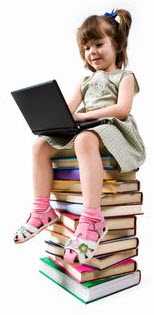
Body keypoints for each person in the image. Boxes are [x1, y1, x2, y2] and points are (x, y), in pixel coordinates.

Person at [14, 8, 146, 264]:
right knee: (40, 145)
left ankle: (93, 219)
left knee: (85, 139)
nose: (92, 52)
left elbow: (122, 109)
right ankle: (42, 210)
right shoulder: (85, 82)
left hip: (113, 128)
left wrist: (85, 117)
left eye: (98, 44)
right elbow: (68, 110)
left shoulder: (124, 76)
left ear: (116, 44)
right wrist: (54, 121)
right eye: (86, 48)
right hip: (88, 129)